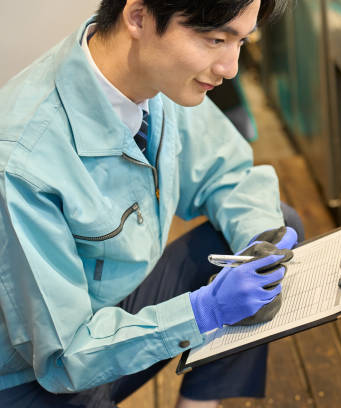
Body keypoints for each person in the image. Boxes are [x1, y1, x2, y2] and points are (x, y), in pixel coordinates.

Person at [0, 0, 304, 406]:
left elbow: (228, 175)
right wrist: (203, 312)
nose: (229, 67)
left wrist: (258, 241)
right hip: (43, 374)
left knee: (272, 223)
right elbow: (63, 358)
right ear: (139, 16)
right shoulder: (22, 162)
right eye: (215, 40)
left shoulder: (154, 80)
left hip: (113, 306)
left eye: (241, 42)